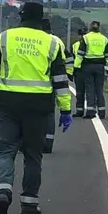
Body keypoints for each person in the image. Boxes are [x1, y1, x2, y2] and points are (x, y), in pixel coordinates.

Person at [0, 1, 72, 214]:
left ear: (21, 17)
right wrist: (66, 109)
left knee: (6, 150)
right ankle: (29, 203)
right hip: (39, 106)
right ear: (41, 19)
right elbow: (60, 79)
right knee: (32, 154)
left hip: (8, 103)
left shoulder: (6, 38)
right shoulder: (52, 43)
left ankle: (3, 192)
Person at [74, 20, 108, 118]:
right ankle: (102, 112)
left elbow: (80, 55)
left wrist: (76, 67)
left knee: (90, 89)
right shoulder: (104, 39)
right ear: (99, 28)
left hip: (87, 66)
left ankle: (90, 112)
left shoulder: (86, 38)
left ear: (90, 27)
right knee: (99, 89)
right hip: (100, 66)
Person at [40, 18, 65, 153]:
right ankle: (48, 143)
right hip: (52, 83)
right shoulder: (57, 41)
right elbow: (66, 58)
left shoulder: (36, 39)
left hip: (32, 85)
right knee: (49, 113)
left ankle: (25, 142)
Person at [66, 26, 87, 116]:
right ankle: (80, 111)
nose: (82, 36)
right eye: (81, 35)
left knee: (86, 92)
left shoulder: (87, 43)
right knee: (80, 92)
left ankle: (88, 111)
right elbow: (71, 59)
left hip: (85, 70)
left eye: (84, 34)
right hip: (79, 71)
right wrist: (70, 72)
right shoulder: (74, 45)